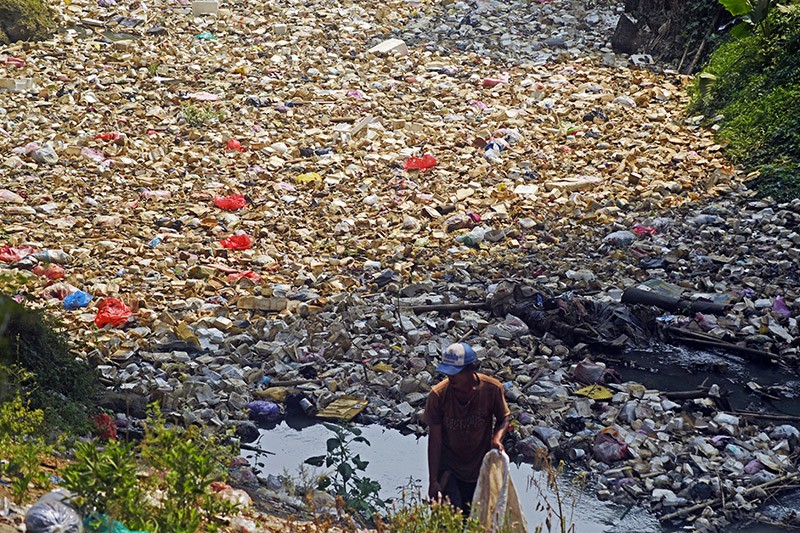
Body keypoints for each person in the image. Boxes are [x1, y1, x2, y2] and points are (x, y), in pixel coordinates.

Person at [423, 342, 511, 514]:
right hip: (450, 470)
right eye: (448, 374)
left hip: (479, 469)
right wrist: (433, 480)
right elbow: (435, 440)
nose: (451, 378)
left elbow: (504, 418)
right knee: (450, 522)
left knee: (478, 520)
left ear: (472, 368)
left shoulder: (491, 389)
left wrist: (496, 438)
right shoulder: (438, 395)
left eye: (456, 373)